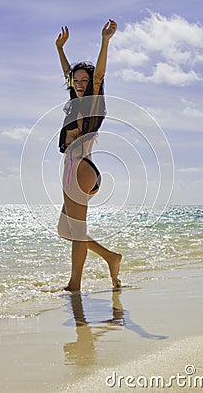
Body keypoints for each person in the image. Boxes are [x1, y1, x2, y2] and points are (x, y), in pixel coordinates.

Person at [56, 20, 122, 291]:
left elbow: (99, 76)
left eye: (86, 80)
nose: (81, 83)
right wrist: (59, 49)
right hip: (73, 169)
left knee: (77, 232)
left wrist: (105, 41)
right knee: (65, 230)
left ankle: (74, 285)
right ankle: (110, 256)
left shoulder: (92, 104)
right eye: (77, 79)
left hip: (81, 168)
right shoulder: (74, 102)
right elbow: (66, 74)